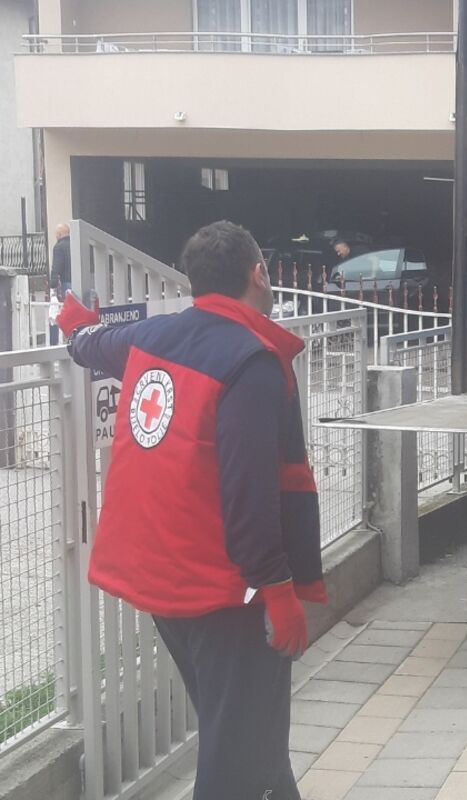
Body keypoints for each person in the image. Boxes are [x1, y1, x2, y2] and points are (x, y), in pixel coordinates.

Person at [55, 220, 325, 800]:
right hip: (226, 594)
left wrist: (76, 326)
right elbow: (250, 489)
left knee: (248, 740)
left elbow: (93, 345)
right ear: (259, 274)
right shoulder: (250, 360)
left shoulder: (154, 337)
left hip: (162, 586)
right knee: (237, 762)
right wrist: (278, 591)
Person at [50, 223, 71, 300]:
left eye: (56, 234)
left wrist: (53, 284)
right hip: (79, 281)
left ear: (59, 234)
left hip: (66, 281)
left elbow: (56, 267)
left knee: (68, 304)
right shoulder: (75, 243)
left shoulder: (59, 247)